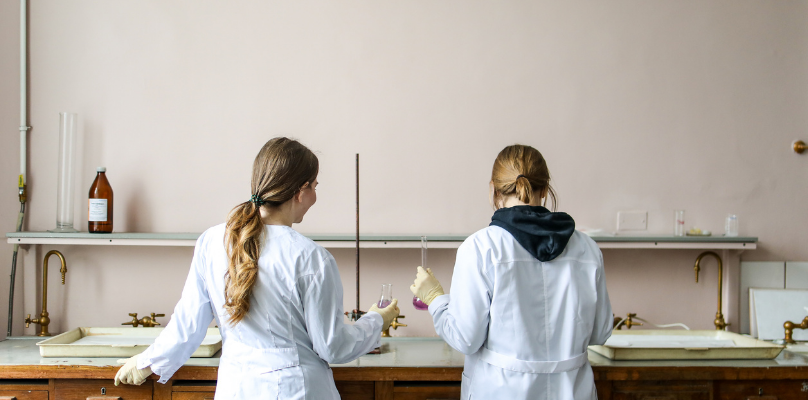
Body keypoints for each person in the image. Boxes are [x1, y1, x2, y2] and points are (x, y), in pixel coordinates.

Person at [115, 137, 400, 399]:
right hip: (297, 391)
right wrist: (376, 321)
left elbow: (188, 326)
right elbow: (332, 346)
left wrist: (145, 362)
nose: (315, 196)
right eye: (314, 187)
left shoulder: (213, 242)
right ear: (299, 192)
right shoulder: (311, 257)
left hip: (236, 390)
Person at [410, 144, 612, 399]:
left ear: (494, 189)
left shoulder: (481, 248)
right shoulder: (587, 249)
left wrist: (436, 298)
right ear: (546, 188)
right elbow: (601, 332)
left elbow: (465, 339)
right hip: (572, 392)